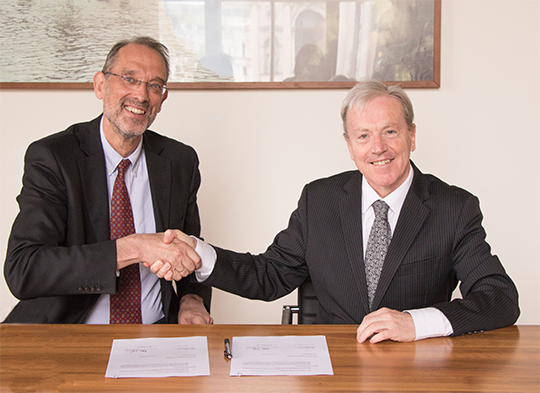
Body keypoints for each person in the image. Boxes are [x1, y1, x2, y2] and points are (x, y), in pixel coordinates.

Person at [151, 79, 519, 343]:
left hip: (417, 369)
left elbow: (499, 298)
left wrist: (415, 324)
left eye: (390, 132)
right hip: (331, 366)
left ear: (412, 136)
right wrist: (200, 255)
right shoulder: (320, 200)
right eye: (363, 136)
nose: (378, 147)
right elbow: (268, 275)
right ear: (349, 145)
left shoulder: (454, 208)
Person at [3, 36, 211, 325]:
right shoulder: (53, 157)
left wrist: (192, 300)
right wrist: (134, 247)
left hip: (158, 334)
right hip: (70, 335)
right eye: (129, 78)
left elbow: (191, 247)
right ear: (100, 85)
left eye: (154, 85)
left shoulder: (179, 161)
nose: (141, 95)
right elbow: (25, 269)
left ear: (162, 99)